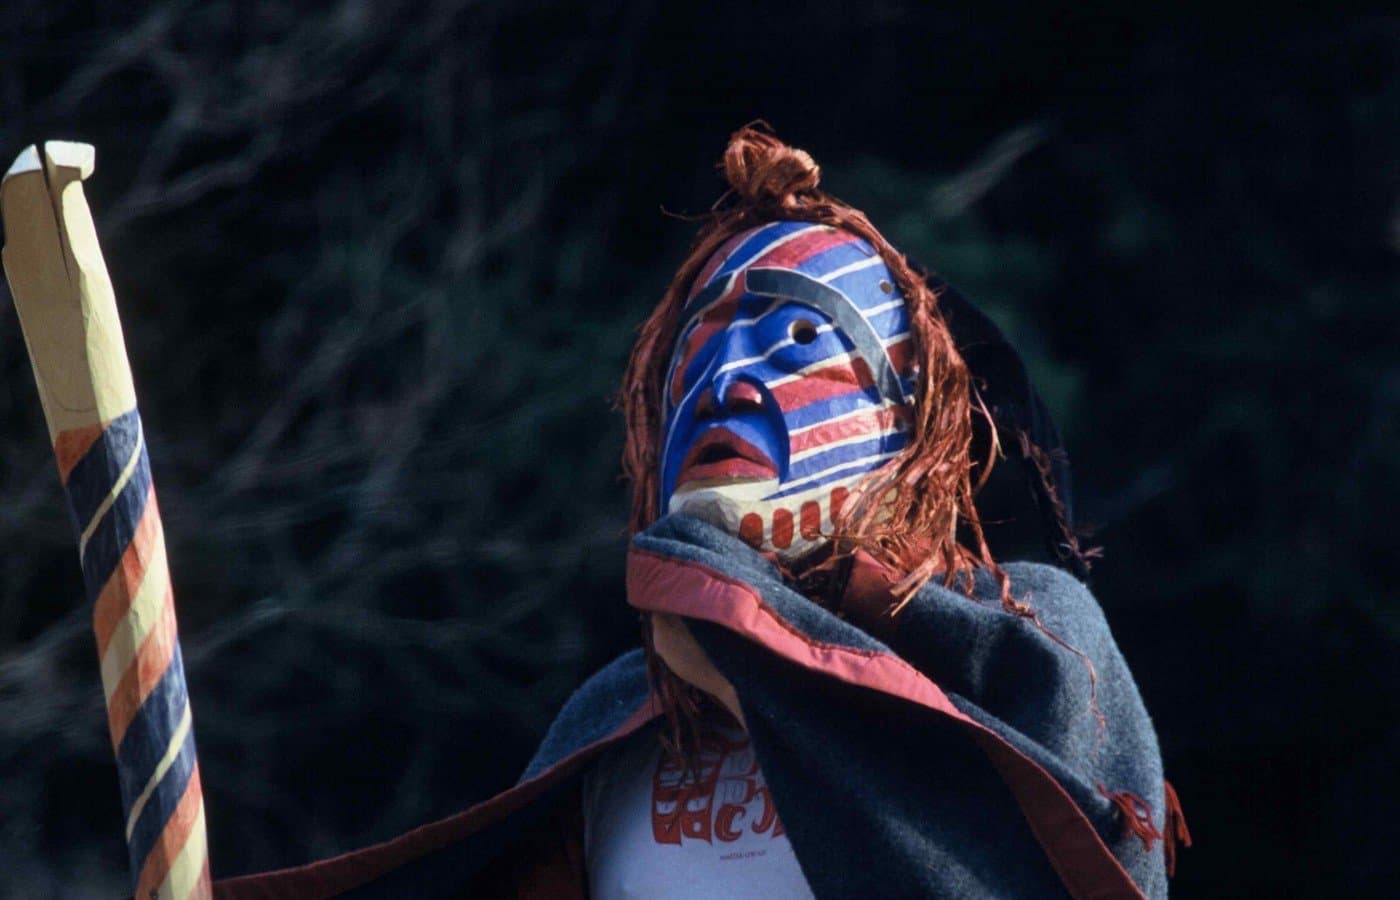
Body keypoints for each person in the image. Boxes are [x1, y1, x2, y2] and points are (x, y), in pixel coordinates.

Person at [215, 124, 1187, 899]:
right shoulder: (613, 720)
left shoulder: (1028, 638)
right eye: (696, 353)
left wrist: (761, 652)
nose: (726, 382)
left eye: (798, 337)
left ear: (903, 427)